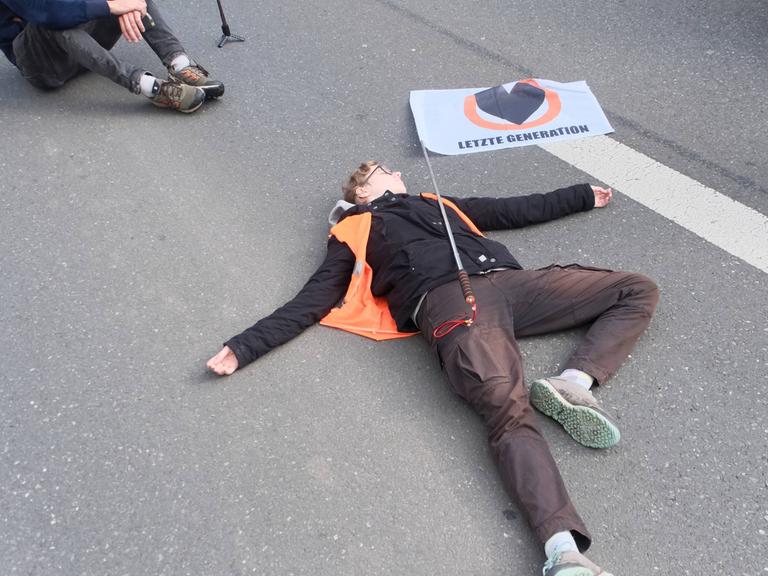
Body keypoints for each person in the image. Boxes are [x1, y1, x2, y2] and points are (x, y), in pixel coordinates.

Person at [207, 161, 659, 576]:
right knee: (506, 407)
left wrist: (580, 195)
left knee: (634, 289)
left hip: (512, 283)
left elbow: (509, 210)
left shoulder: (435, 201)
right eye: (385, 170)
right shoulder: (356, 228)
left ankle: (573, 383)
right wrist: (244, 347)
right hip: (450, 303)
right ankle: (563, 551)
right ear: (362, 190)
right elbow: (314, 298)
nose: (398, 171)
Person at [0, 0, 224, 113]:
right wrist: (111, 5)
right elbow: (51, 13)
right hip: (44, 65)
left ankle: (179, 62)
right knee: (54, 22)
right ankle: (148, 86)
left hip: (86, 47)